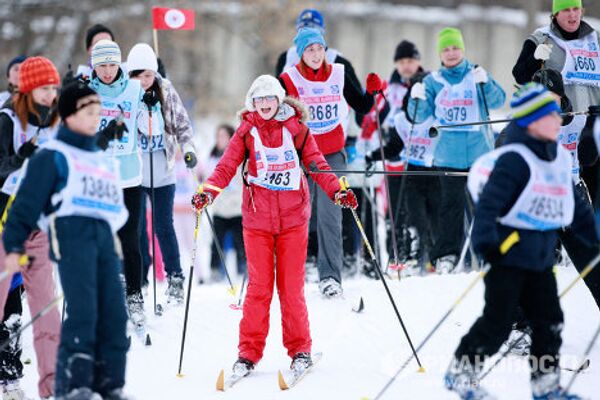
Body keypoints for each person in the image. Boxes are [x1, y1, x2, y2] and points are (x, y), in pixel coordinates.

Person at [192, 75, 356, 377]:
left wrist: (336, 190)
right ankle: (248, 354)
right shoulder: (245, 132)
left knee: (291, 289)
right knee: (258, 289)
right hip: (257, 222)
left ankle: (300, 351)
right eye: (259, 100)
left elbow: (317, 163)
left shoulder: (297, 129)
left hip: (293, 220)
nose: (265, 104)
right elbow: (226, 166)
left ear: (279, 100)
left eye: (270, 99)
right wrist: (208, 191)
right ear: (252, 103)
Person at [445, 83, 596, 400]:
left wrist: (594, 242)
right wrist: (485, 242)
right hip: (508, 259)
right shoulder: (514, 159)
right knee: (498, 324)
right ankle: (462, 369)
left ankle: (545, 384)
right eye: (552, 115)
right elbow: (489, 203)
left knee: (549, 322)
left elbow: (577, 209)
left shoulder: (556, 160)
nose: (559, 119)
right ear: (533, 122)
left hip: (541, 262)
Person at [2, 81, 130, 400]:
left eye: (98, 112)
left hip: (105, 243)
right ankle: (73, 385)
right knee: (83, 313)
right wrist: (13, 247)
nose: (95, 117)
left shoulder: (101, 157)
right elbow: (24, 206)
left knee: (115, 314)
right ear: (70, 115)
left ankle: (111, 383)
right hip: (72, 240)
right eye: (88, 111)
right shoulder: (52, 155)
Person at [279, 27, 381, 297]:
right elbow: (272, 112)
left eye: (319, 48)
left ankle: (330, 278)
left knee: (330, 216)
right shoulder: (289, 79)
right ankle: (292, 274)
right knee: (295, 215)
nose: (315, 54)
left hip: (333, 156)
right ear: (301, 53)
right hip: (301, 157)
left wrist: (372, 93)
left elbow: (361, 106)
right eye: (309, 49)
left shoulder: (339, 73)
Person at [408, 27, 506, 273]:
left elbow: (498, 101)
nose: (451, 53)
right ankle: (447, 255)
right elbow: (417, 117)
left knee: (485, 205)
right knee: (449, 208)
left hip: (479, 154)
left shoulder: (476, 74)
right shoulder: (433, 81)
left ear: (462, 50)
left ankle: (488, 252)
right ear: (440, 54)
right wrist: (415, 97)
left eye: (455, 48)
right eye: (446, 49)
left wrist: (487, 84)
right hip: (448, 155)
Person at [0, 56, 62, 400]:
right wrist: (19, 159)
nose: (49, 94)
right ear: (27, 88)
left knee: (46, 312)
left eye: (53, 87)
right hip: (5, 224)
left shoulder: (56, 122)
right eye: (43, 87)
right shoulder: (7, 119)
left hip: (38, 226)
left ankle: (51, 387)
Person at [126, 43, 197, 304]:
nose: (144, 81)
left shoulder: (165, 89)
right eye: (138, 75)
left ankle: (175, 277)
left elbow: (182, 124)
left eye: (148, 75)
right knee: (136, 228)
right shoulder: (127, 93)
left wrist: (188, 148)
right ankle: (139, 278)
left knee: (163, 225)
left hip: (163, 171)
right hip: (134, 171)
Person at [368, 40, 440, 275]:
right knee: (396, 214)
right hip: (395, 154)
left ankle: (429, 258)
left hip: (422, 158)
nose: (406, 66)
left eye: (410, 60)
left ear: (418, 61)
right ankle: (397, 257)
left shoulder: (430, 83)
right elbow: (373, 117)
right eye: (401, 62)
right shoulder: (389, 87)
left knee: (425, 212)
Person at [88, 39, 146, 327]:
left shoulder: (135, 89)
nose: (108, 71)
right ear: (93, 66)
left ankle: (134, 298)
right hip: (97, 177)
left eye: (112, 64)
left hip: (129, 176)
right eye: (102, 66)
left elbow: (149, 122)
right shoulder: (85, 91)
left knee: (130, 240)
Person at [512, 0, 599, 111]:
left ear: (582, 11)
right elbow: (520, 76)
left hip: (593, 121)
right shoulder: (541, 38)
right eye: (566, 9)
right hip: (558, 121)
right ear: (556, 14)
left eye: (576, 9)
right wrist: (535, 59)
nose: (572, 14)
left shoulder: (596, 39)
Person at [274, 8, 361, 92]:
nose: (309, 37)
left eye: (313, 30)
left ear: (321, 33)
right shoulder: (286, 57)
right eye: (303, 29)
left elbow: (358, 96)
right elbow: (277, 92)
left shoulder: (337, 60)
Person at [203, 124, 246, 282]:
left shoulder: (240, 156)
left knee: (241, 242)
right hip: (220, 209)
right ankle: (215, 271)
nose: (220, 139)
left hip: (237, 208)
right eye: (218, 136)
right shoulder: (212, 157)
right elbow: (208, 178)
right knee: (216, 243)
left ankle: (244, 270)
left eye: (223, 136)